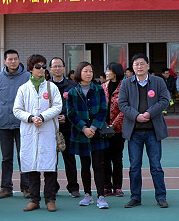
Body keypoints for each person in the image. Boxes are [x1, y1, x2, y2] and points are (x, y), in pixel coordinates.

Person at [118, 53, 170, 208]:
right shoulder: (126, 83)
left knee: (156, 166)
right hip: (134, 132)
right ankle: (135, 197)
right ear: (132, 67)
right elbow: (122, 104)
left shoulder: (158, 81)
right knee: (134, 166)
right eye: (136, 64)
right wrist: (136, 116)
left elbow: (164, 100)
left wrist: (149, 113)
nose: (139, 67)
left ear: (148, 65)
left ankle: (161, 196)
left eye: (142, 63)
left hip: (153, 131)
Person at [14, 55, 62, 212]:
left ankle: (50, 199)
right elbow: (17, 109)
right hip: (30, 131)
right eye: (38, 67)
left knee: (49, 167)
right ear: (30, 69)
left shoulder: (51, 87)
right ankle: (34, 199)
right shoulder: (23, 89)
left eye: (43, 67)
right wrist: (30, 118)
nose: (41, 69)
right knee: (32, 166)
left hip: (47, 131)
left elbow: (57, 106)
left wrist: (42, 116)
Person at [66, 61, 109, 209]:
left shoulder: (99, 89)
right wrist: (84, 128)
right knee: (85, 165)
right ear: (79, 73)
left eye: (91, 71)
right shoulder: (72, 92)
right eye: (85, 71)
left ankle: (101, 196)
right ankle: (87, 195)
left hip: (96, 133)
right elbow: (71, 114)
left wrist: (93, 127)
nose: (89, 74)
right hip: (81, 134)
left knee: (98, 165)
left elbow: (103, 110)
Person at [0, 49, 31, 199]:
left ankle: (26, 187)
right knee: (6, 158)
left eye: (15, 59)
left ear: (19, 60)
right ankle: (6, 187)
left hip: (23, 123)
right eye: (10, 59)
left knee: (24, 156)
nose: (13, 61)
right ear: (5, 61)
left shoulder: (27, 76)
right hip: (4, 123)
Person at [49, 56, 80, 197]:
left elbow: (77, 106)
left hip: (68, 127)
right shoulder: (45, 86)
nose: (57, 69)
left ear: (64, 68)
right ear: (50, 69)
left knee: (69, 159)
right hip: (50, 128)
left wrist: (66, 117)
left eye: (59, 66)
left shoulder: (73, 86)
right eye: (54, 66)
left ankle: (73, 187)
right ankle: (52, 187)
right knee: (51, 160)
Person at [102, 62, 126, 197]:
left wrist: (115, 124)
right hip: (103, 129)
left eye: (108, 70)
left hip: (118, 130)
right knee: (104, 159)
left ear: (115, 72)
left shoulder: (124, 87)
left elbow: (125, 108)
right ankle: (106, 186)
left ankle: (117, 186)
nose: (106, 73)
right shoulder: (103, 87)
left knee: (117, 159)